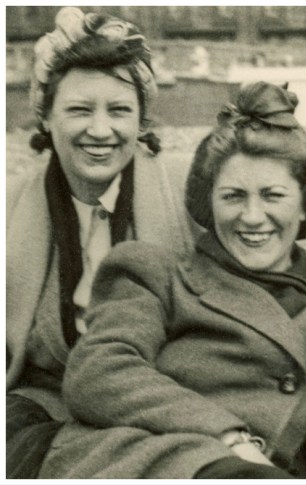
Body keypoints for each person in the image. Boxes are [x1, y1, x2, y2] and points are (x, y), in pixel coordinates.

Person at [37, 81, 306, 479]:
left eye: (273, 196)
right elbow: (98, 372)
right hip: (157, 461)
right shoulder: (154, 273)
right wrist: (230, 437)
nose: (252, 217)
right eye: (233, 196)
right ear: (209, 202)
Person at [6, 7, 195, 478]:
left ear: (142, 119)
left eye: (118, 110)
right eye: (79, 110)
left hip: (167, 404)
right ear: (46, 117)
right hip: (46, 410)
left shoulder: (188, 194)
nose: (100, 130)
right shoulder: (9, 210)